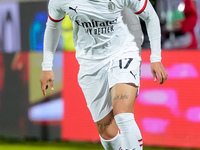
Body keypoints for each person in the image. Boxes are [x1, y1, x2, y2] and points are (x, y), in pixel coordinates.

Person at [40, 0, 168, 149]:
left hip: (124, 51)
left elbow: (150, 16)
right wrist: (47, 66)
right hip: (90, 62)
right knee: (107, 132)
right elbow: (53, 25)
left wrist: (156, 58)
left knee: (122, 113)